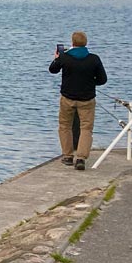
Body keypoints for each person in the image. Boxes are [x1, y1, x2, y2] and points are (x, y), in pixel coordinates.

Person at [49, 31, 107, 170]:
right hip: (87, 99)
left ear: (72, 43)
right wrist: (91, 83)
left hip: (67, 98)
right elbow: (102, 80)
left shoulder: (65, 57)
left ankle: (68, 156)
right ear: (85, 43)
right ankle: (81, 158)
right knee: (86, 128)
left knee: (65, 126)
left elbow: (52, 70)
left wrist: (56, 58)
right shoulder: (94, 59)